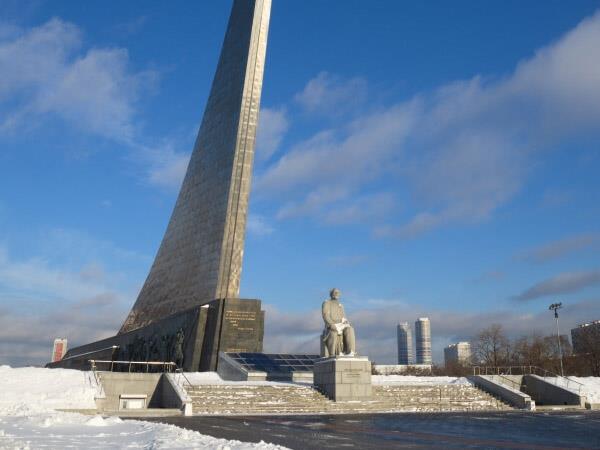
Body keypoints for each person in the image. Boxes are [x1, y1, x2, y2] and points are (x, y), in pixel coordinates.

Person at [321, 288, 356, 357]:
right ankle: (334, 353)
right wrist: (331, 324)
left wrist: (346, 323)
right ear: (331, 294)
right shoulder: (327, 302)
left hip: (341, 325)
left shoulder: (341, 305)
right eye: (335, 292)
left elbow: (344, 317)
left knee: (350, 329)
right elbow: (325, 315)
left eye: (338, 292)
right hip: (331, 325)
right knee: (334, 330)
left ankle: (350, 351)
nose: (336, 294)